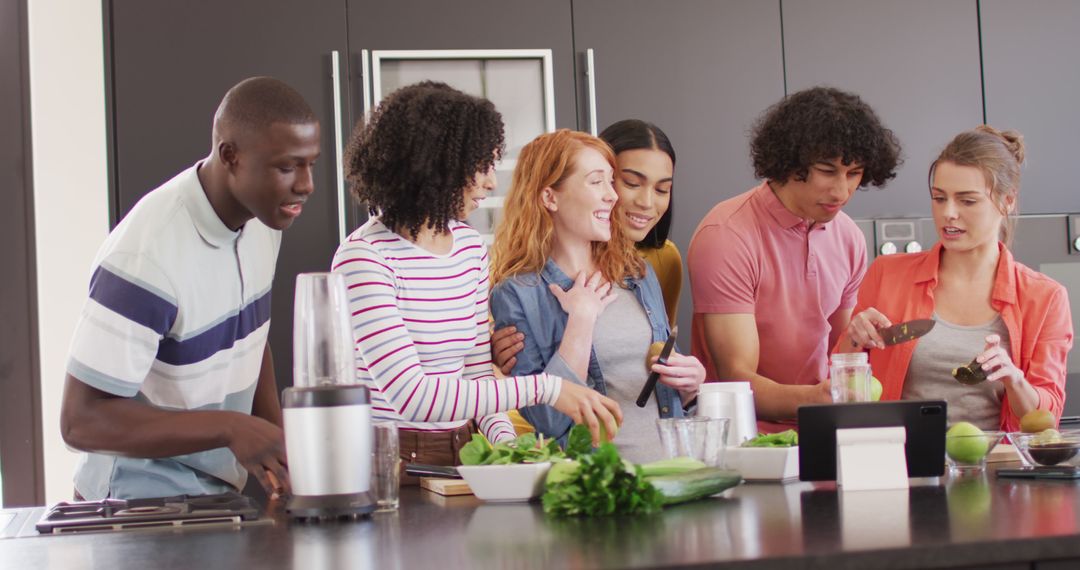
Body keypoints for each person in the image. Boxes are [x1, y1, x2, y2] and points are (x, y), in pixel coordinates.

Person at [331, 82, 620, 472]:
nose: (490, 181)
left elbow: (476, 373)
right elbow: (412, 396)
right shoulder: (365, 259)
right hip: (386, 464)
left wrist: (509, 448)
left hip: (461, 453)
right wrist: (550, 388)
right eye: (480, 166)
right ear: (436, 164)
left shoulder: (467, 247)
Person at [60, 77, 320, 500]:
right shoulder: (147, 257)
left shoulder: (264, 219)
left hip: (214, 489)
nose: (306, 184)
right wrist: (234, 427)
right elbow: (81, 420)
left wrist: (280, 447)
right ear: (230, 156)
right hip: (136, 502)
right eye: (287, 166)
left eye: (311, 163)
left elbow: (248, 336)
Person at [687, 86, 902, 432]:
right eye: (827, 171)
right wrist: (820, 398)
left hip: (822, 431)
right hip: (744, 440)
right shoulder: (726, 234)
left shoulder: (848, 236)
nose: (842, 191)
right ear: (790, 162)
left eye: (854, 173)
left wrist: (857, 338)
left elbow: (839, 353)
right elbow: (737, 379)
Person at [489, 129, 705, 463]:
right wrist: (581, 320)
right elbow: (549, 422)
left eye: (611, 181)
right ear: (550, 197)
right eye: (596, 182)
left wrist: (691, 386)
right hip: (602, 483)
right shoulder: (517, 295)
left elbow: (670, 392)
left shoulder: (637, 273)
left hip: (677, 470)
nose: (613, 196)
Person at [836, 126, 1073, 431]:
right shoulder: (886, 274)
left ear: (1008, 200)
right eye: (939, 198)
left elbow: (1046, 419)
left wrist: (1014, 380)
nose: (948, 213)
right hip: (899, 462)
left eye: (967, 201)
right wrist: (851, 341)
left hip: (996, 465)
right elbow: (840, 386)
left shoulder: (1045, 297)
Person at [492, 119, 681, 371]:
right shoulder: (521, 290)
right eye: (631, 183)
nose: (646, 202)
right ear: (549, 196)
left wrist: (691, 385)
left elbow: (662, 359)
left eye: (662, 189)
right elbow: (541, 404)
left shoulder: (643, 268)